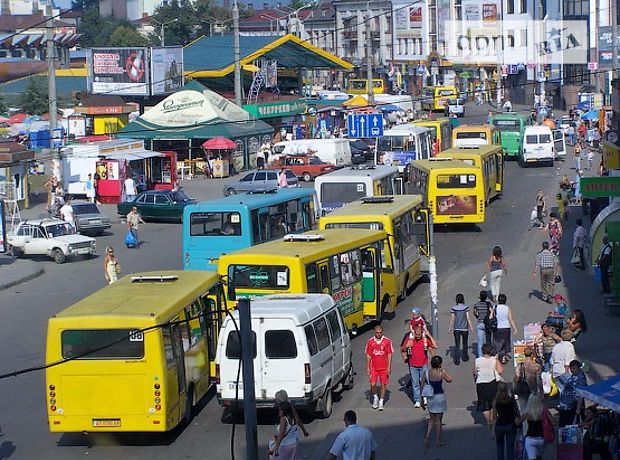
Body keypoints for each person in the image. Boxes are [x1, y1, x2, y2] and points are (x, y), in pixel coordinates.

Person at [401, 323, 437, 408]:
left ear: (422, 333)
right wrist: (407, 347)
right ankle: (417, 400)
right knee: (415, 383)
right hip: (413, 365)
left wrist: (429, 335)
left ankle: (425, 398)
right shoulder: (410, 339)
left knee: (424, 382)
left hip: (423, 364)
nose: (417, 336)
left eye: (419, 334)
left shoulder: (425, 340)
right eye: (416, 334)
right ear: (414, 333)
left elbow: (434, 346)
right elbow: (402, 349)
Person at [474, 343, 504, 433]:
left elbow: (474, 372)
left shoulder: (477, 360)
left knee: (483, 404)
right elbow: (500, 371)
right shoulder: (494, 360)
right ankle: (492, 418)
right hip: (492, 383)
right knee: (492, 402)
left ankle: (488, 420)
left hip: (480, 384)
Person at [424, 355, 452, 448]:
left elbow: (421, 385)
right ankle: (438, 441)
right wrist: (444, 371)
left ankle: (427, 437)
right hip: (439, 397)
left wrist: (421, 400)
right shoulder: (441, 373)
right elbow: (449, 380)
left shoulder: (427, 373)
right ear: (439, 364)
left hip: (430, 397)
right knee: (439, 420)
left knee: (432, 419)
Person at [365, 325, 393, 411]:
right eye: (377, 333)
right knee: (373, 384)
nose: (379, 334)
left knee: (383, 384)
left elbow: (389, 354)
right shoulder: (370, 342)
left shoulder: (387, 341)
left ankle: (381, 401)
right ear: (375, 332)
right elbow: (368, 355)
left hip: (384, 367)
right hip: (374, 367)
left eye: (380, 333)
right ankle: (375, 397)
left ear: (382, 332)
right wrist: (368, 367)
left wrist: (389, 367)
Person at [556, 360, 587, 427]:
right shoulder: (573, 376)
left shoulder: (580, 379)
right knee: (564, 424)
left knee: (569, 425)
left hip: (571, 407)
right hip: (565, 406)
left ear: (578, 368)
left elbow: (581, 395)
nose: (572, 370)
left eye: (574, 368)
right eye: (571, 368)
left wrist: (578, 408)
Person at [493, 381, 518, 460]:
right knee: (510, 448)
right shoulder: (511, 400)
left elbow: (494, 416)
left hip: (500, 425)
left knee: (500, 447)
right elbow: (516, 411)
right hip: (510, 424)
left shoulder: (495, 401)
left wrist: (493, 429)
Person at [517, 395, 547, 460]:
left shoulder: (527, 413)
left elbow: (518, 422)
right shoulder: (543, 412)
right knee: (539, 458)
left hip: (530, 438)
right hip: (542, 438)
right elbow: (554, 422)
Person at [448, 293, 473, 365]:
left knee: (457, 344)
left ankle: (457, 360)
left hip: (456, 329)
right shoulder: (466, 307)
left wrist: (450, 328)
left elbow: (452, 319)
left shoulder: (454, 308)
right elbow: (468, 318)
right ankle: (465, 357)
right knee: (465, 343)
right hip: (465, 328)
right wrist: (471, 326)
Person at [493, 294, 518, 364]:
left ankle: (496, 356)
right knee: (505, 342)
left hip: (497, 327)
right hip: (506, 327)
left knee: (497, 342)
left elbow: (491, 316)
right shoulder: (507, 308)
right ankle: (503, 357)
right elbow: (511, 319)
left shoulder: (495, 307)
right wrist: (515, 328)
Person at [473, 290, 493, 358]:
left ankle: (480, 356)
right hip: (487, 324)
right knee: (488, 340)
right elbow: (491, 311)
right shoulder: (488, 304)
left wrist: (477, 317)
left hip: (480, 323)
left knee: (480, 342)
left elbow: (475, 312)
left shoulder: (477, 304)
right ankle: (489, 354)